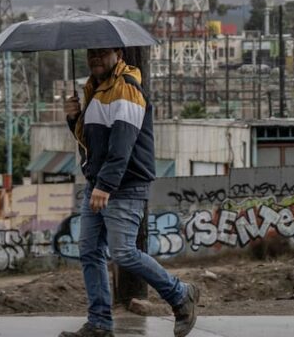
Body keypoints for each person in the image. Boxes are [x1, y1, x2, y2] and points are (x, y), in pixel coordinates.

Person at [59, 47, 198, 337]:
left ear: (118, 54)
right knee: (90, 251)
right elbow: (92, 143)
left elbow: (122, 146)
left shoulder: (126, 89)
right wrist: (74, 119)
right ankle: (99, 323)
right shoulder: (96, 90)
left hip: (123, 185)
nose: (95, 58)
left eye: (102, 53)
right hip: (100, 183)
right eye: (91, 54)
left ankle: (180, 294)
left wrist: (105, 186)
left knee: (122, 252)